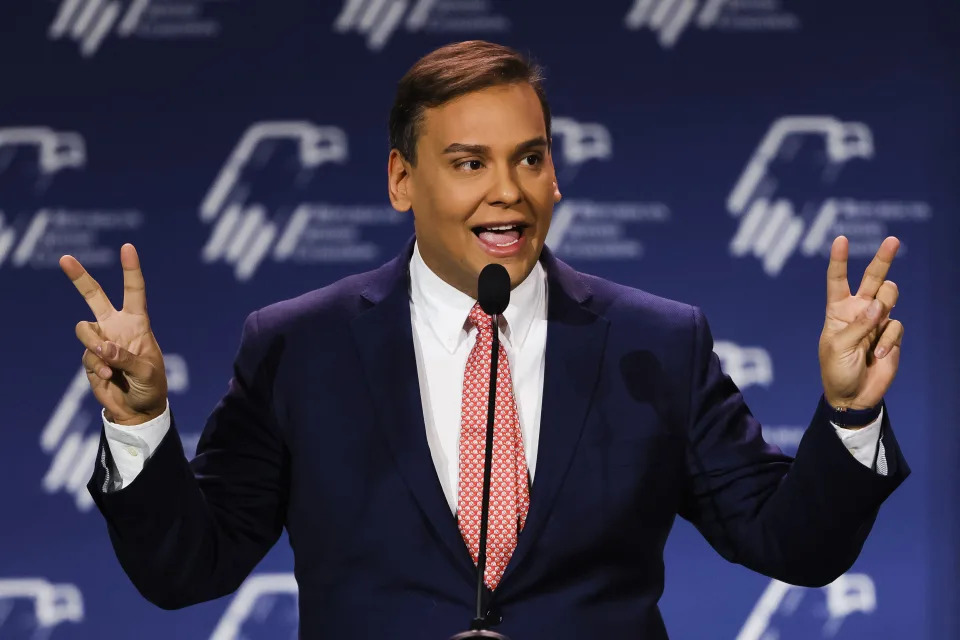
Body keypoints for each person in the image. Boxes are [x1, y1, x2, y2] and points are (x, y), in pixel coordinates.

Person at [60, 40, 909, 639]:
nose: (509, 192)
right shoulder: (299, 348)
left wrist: (847, 414)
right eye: (470, 163)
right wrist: (139, 426)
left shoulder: (658, 342)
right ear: (401, 179)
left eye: (530, 159)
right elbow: (187, 571)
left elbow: (791, 545)